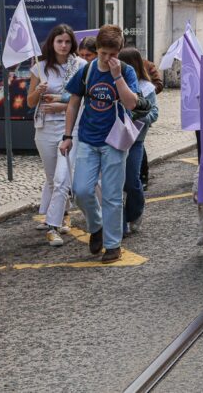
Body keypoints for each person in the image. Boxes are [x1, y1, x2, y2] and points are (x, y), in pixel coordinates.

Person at [59, 26, 140, 264]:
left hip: (115, 141)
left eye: (112, 54)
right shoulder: (88, 70)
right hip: (87, 138)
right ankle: (96, 227)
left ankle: (113, 245)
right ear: (97, 50)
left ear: (119, 50)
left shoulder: (126, 71)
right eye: (103, 53)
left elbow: (132, 104)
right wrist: (67, 136)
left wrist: (117, 77)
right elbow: (73, 103)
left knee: (112, 195)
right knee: (81, 190)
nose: (107, 58)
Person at [27, 24, 81, 246]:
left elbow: (81, 99)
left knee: (62, 178)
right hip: (45, 128)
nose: (64, 45)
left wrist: (60, 104)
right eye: (60, 41)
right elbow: (30, 103)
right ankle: (64, 215)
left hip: (70, 128)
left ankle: (53, 227)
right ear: (52, 43)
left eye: (67, 41)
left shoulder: (79, 66)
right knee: (52, 180)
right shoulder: (39, 68)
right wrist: (38, 91)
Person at [117, 47, 159, 236]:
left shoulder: (147, 88)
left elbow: (154, 113)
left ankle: (135, 212)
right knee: (115, 182)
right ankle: (121, 220)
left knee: (131, 180)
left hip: (135, 139)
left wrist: (137, 117)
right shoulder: (114, 83)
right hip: (115, 139)